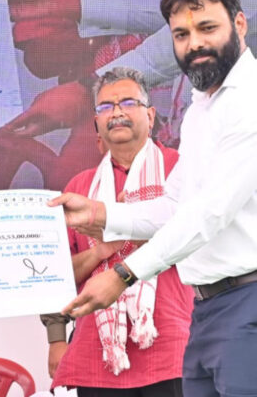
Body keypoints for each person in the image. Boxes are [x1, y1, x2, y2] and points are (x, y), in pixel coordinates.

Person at [50, 0, 257, 395]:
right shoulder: (203, 107)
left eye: (207, 28)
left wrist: (123, 274)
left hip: (246, 303)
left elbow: (208, 214)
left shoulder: (249, 99)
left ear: (240, 23)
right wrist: (99, 213)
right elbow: (175, 205)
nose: (194, 43)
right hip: (207, 310)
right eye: (181, 34)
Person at [41, 67, 193, 396]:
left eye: (128, 102)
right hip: (96, 354)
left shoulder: (180, 170)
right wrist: (102, 250)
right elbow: (53, 275)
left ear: (150, 116)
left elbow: (195, 237)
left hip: (173, 347)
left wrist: (127, 223)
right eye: (106, 106)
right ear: (96, 123)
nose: (117, 112)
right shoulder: (79, 187)